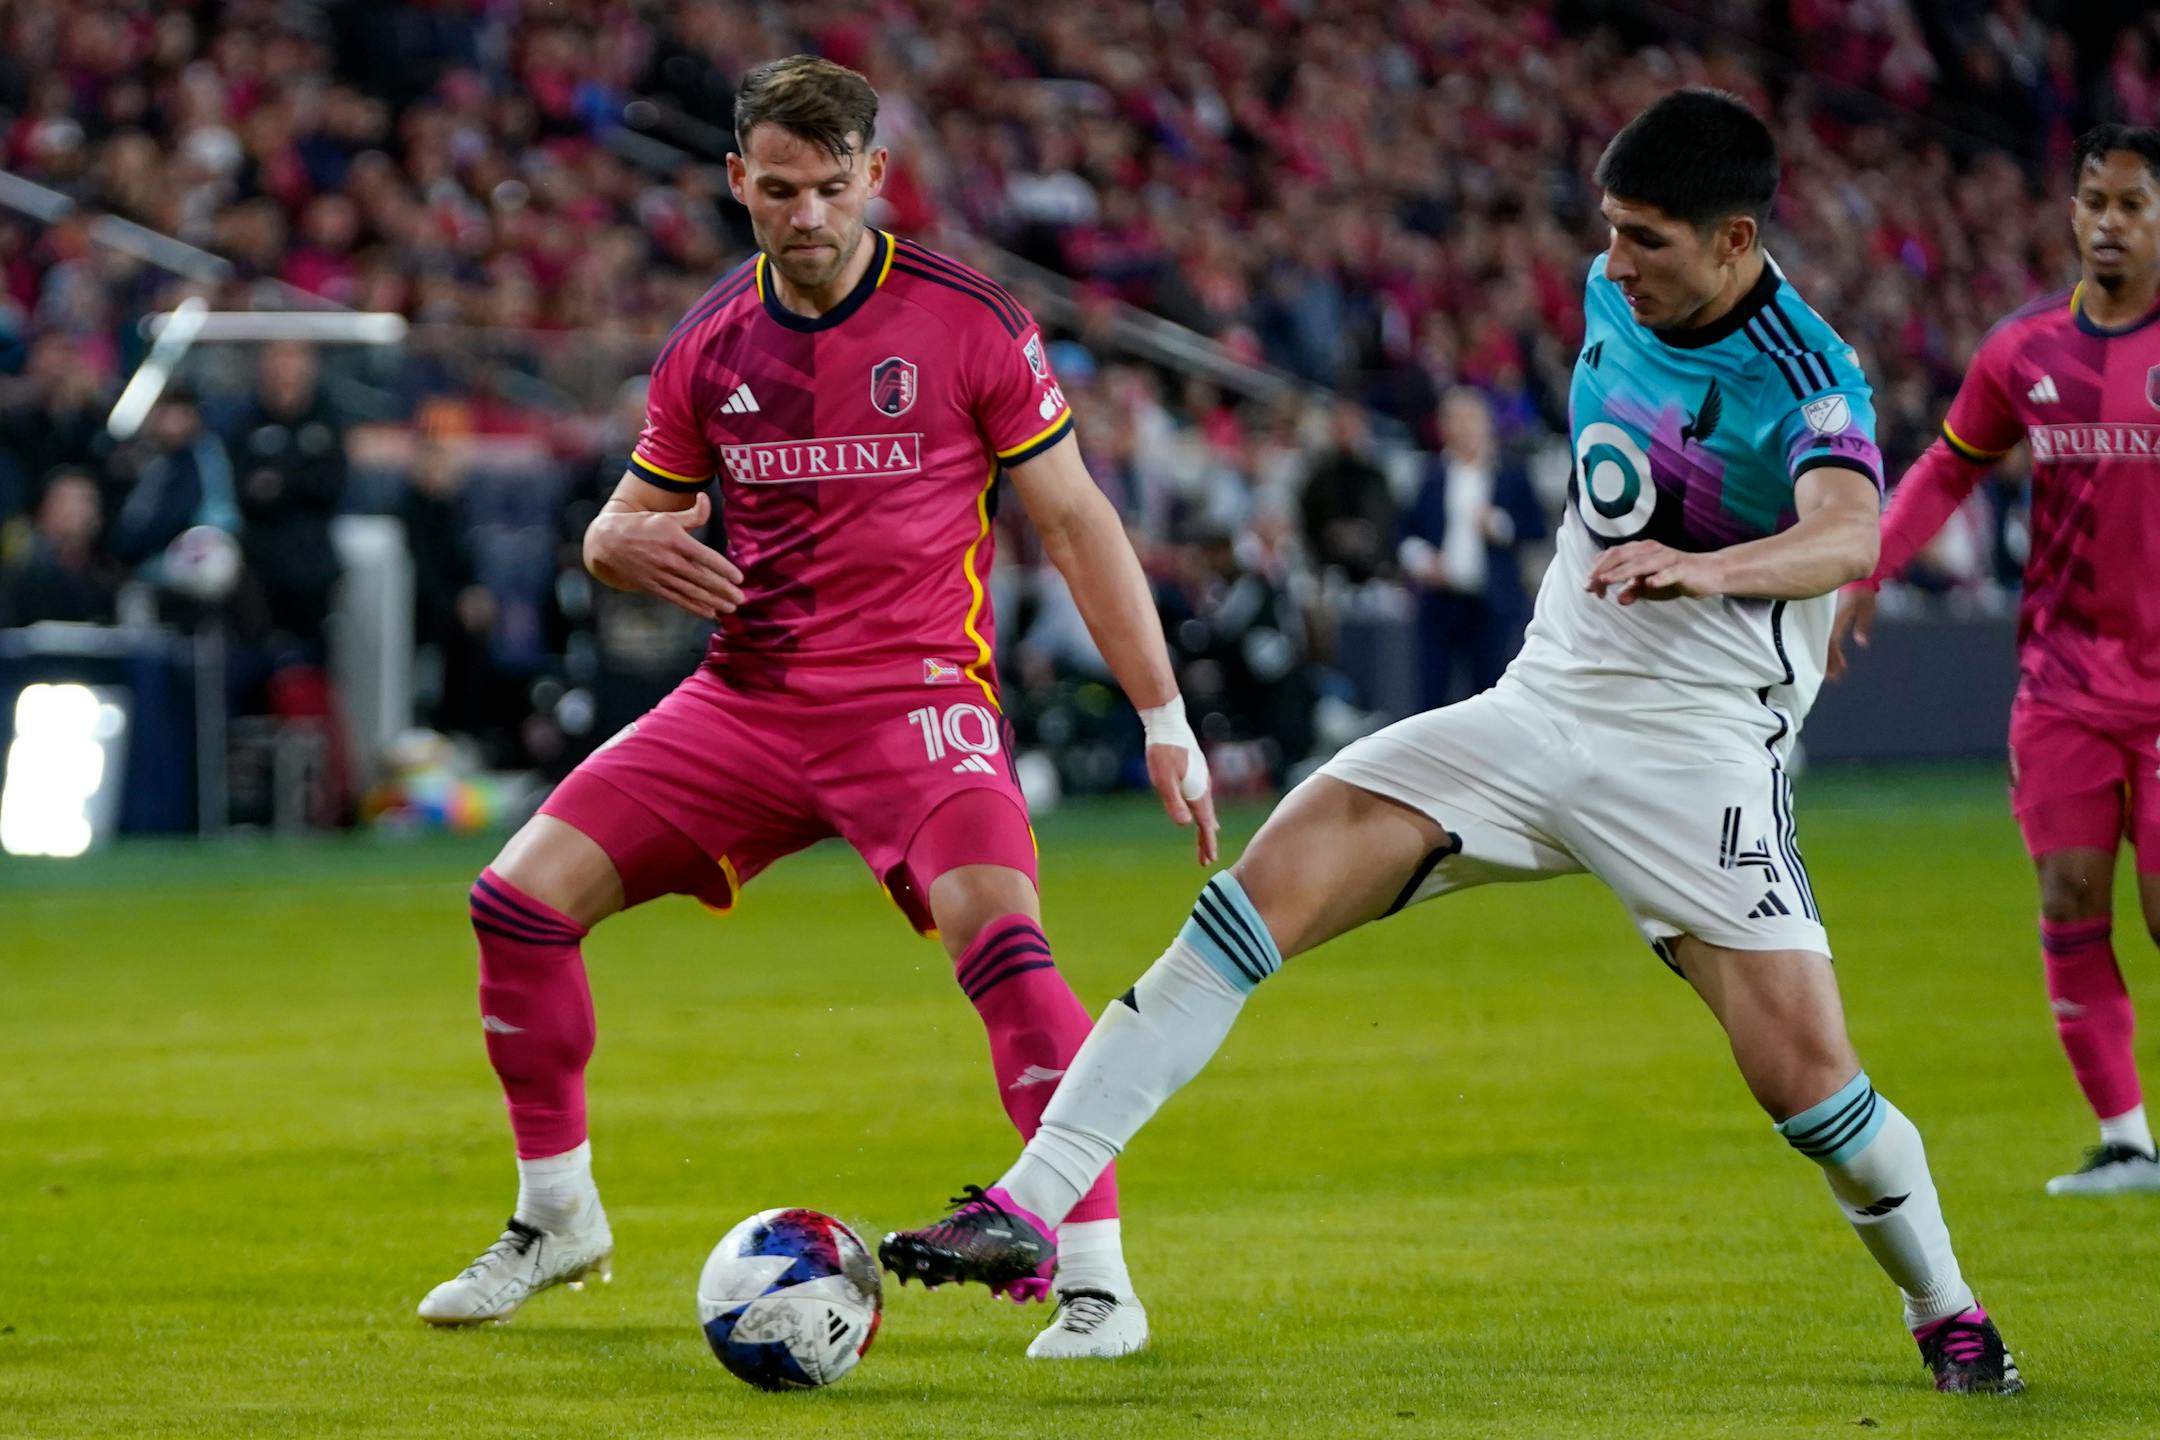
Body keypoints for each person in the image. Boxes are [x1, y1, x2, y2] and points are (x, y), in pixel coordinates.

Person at [882, 89, 2022, 1396]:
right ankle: (1031, 1206)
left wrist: (1718, 574)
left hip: (1695, 758)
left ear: (1736, 239)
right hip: (1533, 713)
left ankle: (1948, 1312)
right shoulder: (1619, 297)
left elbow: (1853, 532)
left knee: (1812, 1092)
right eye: (1608, 232)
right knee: (1247, 906)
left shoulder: (1803, 370)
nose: (1613, 265)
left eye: (1646, 239)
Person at [416, 56, 1218, 1361]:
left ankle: (1096, 1278)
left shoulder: (970, 321)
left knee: (1007, 948)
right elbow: (623, 524)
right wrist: (618, 550)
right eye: (777, 189)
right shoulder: (711, 344)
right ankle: (556, 1216)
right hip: (747, 699)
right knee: (516, 902)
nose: (804, 216)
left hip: (915, 704)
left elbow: (1074, 519)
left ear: (874, 180)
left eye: (831, 188)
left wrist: (1164, 717)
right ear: (737, 180)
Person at [1832, 125, 2160, 1198]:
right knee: (2071, 898)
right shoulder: (2023, 350)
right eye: (2096, 202)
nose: (2110, 223)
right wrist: (1867, 565)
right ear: (2072, 214)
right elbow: (1945, 468)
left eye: (2134, 205)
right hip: (2063, 684)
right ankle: (2125, 1143)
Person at [1397, 388, 1548, 708]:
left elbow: (1536, 527)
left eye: (1471, 419)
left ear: (1486, 424)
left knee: (1491, 693)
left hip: (1492, 603)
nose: (1463, 427)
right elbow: (1404, 530)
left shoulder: (1510, 474)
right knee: (1431, 694)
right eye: (1454, 419)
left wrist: (1499, 525)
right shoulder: (1430, 474)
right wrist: (1420, 558)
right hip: (1439, 603)